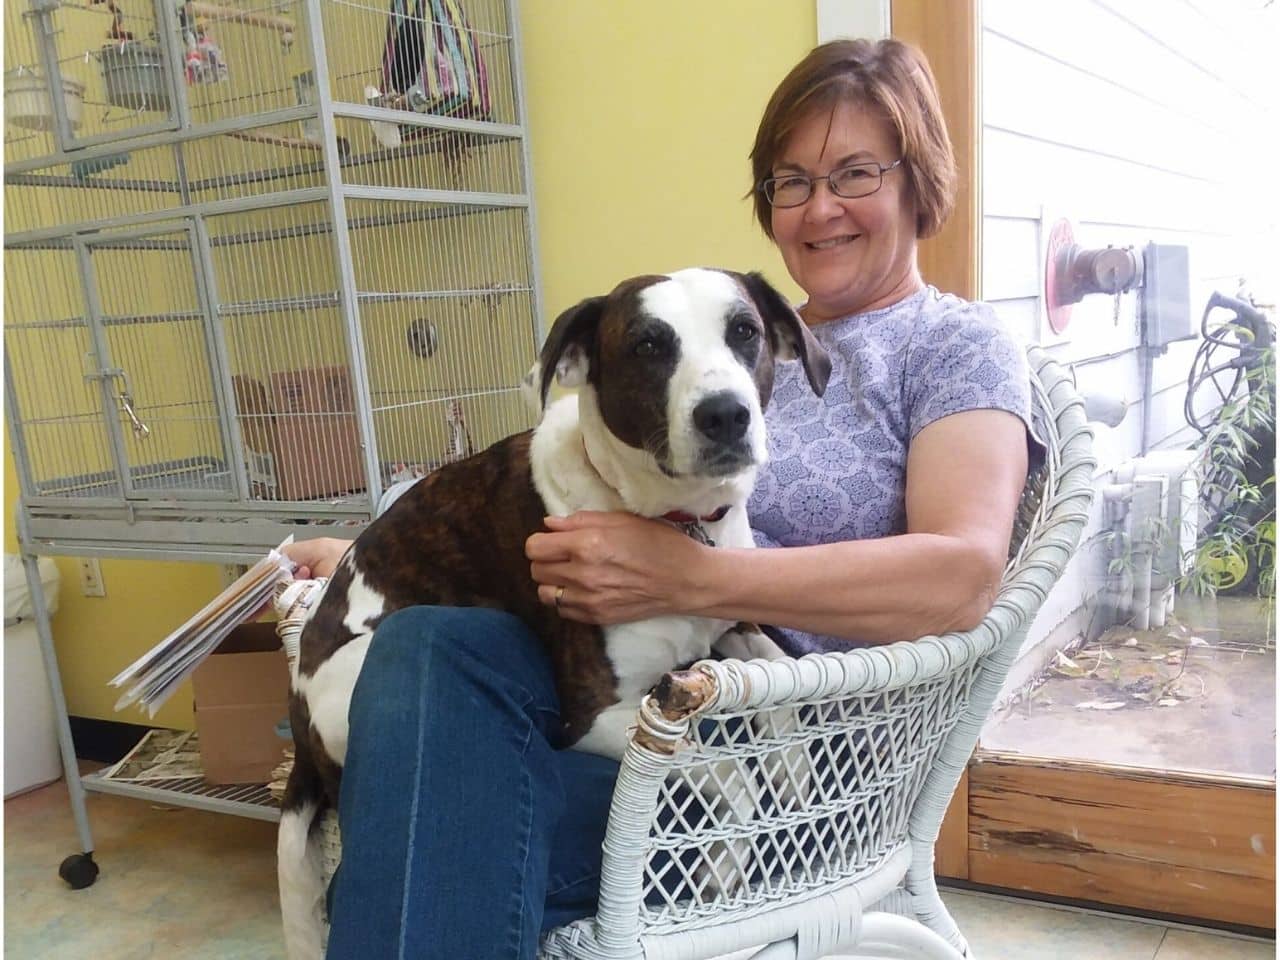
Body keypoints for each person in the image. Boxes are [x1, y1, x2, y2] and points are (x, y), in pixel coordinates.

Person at [289, 37, 1038, 959]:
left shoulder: (951, 345)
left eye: (855, 172)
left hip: (788, 768)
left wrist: (689, 580)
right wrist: (369, 557)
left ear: (919, 179)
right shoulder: (734, 330)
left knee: (428, 807)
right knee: (418, 643)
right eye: (791, 180)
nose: (821, 206)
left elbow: (962, 578)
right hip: (631, 703)